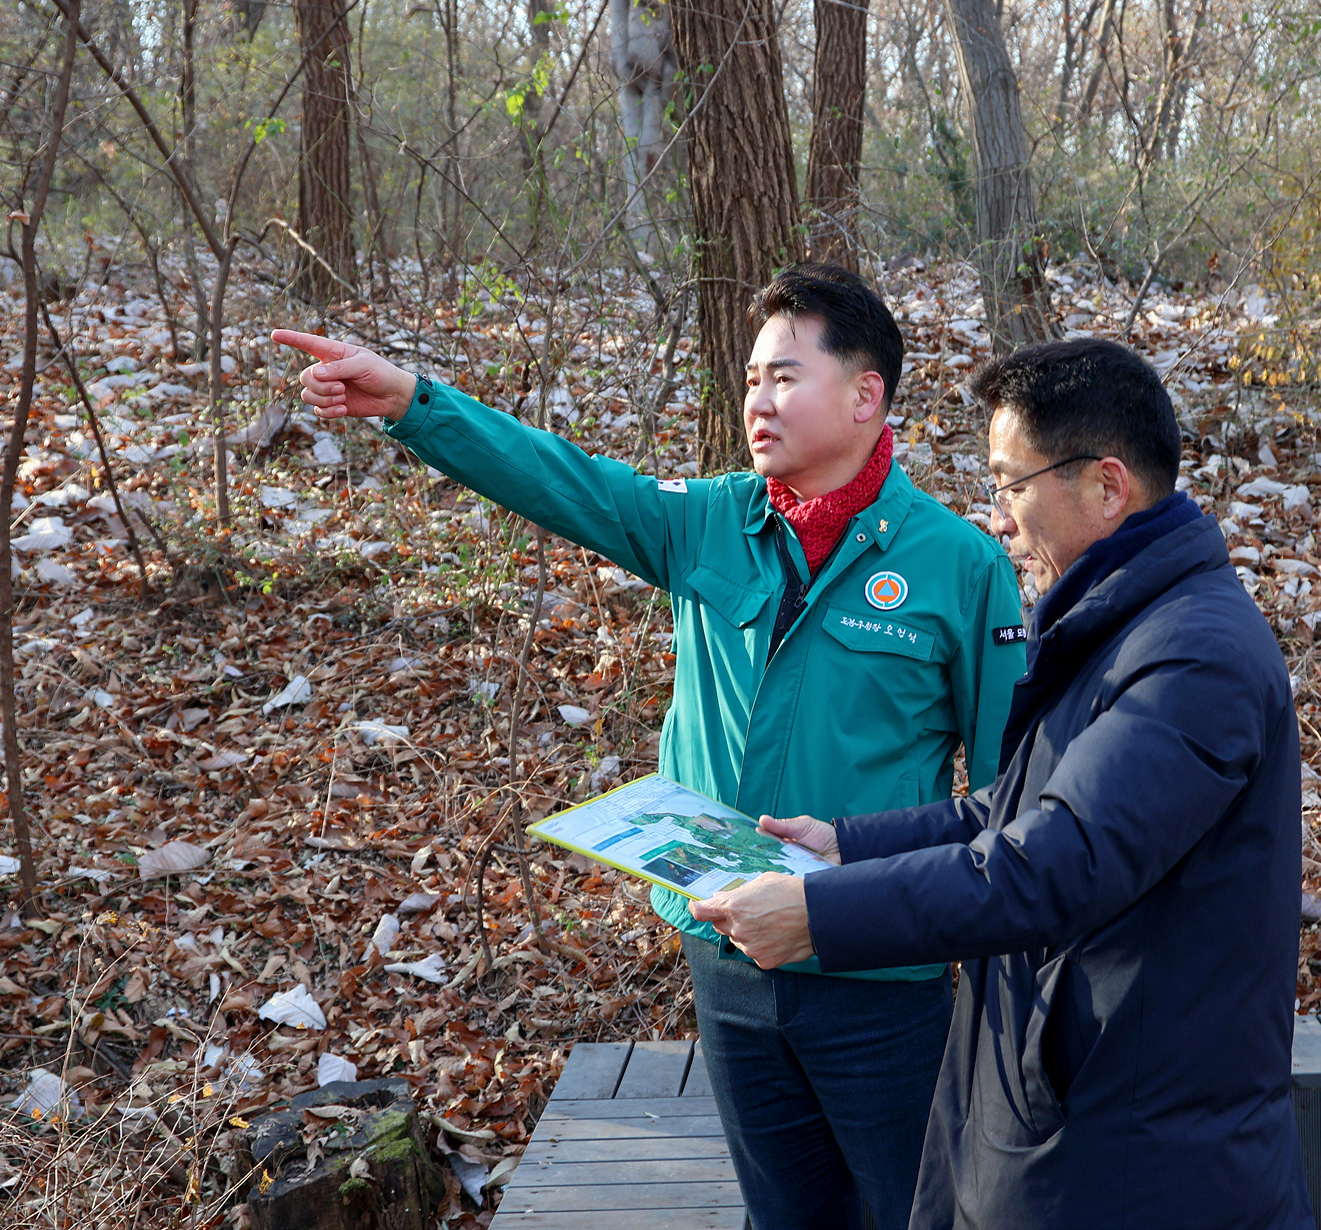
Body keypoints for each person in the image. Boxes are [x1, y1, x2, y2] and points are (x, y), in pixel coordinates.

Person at [274, 263, 1028, 1230]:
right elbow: (560, 480)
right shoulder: (706, 520)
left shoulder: (956, 565)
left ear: (865, 395)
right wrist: (415, 405)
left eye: (786, 376)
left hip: (878, 976)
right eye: (752, 377)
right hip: (726, 954)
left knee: (912, 1215)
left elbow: (1008, 799)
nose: (758, 398)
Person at [693, 337, 1315, 1229]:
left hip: (1141, 1159)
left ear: (1107, 486)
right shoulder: (1115, 620)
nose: (1000, 519)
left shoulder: (1195, 656)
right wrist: (844, 843)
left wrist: (820, 917)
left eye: (1011, 485)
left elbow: (1050, 863)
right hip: (1070, 1119)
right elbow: (1018, 806)